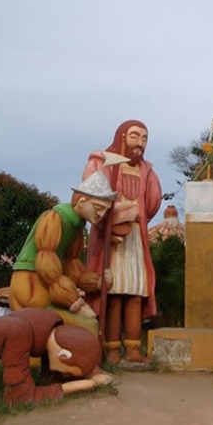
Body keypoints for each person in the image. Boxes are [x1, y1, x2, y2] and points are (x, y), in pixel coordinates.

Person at [82, 120, 162, 364]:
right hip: (111, 240)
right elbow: (92, 198)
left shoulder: (146, 170)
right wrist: (112, 220)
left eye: (145, 138)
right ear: (123, 136)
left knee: (136, 293)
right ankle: (112, 348)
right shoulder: (101, 162)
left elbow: (151, 203)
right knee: (114, 293)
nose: (140, 143)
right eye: (135, 137)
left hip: (135, 238)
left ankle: (134, 348)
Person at [9, 167, 119, 339]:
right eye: (98, 207)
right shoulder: (54, 218)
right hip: (30, 284)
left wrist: (98, 283)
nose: (102, 214)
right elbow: (47, 261)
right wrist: (72, 300)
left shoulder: (77, 227)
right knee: (88, 325)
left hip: (42, 286)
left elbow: (71, 265)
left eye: (106, 210)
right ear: (82, 201)